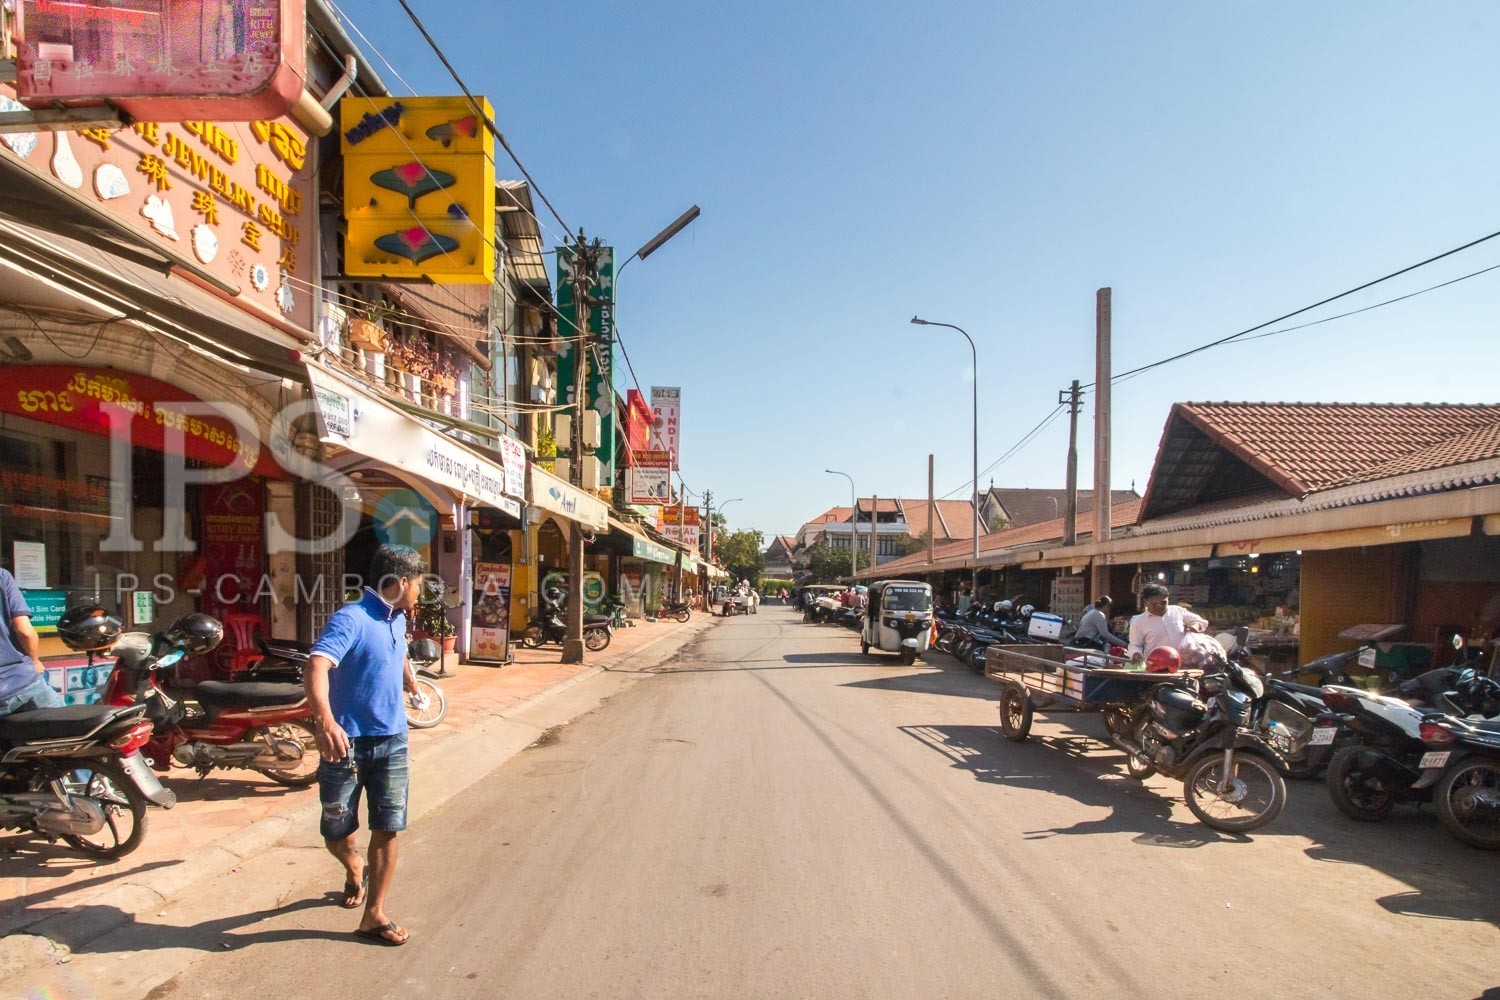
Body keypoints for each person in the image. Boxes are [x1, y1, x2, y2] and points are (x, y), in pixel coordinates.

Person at [306, 544, 425, 947]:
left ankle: (374, 914)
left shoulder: (398, 618)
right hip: (347, 744)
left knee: (388, 827)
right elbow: (317, 664)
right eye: (418, 583)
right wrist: (325, 720)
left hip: (393, 740)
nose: (420, 591)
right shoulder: (352, 618)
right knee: (336, 830)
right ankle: (353, 865)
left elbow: (398, 650)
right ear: (402, 582)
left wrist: (410, 680)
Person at [0, 566, 63, 718]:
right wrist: (35, 661)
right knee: (70, 728)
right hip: (23, 683)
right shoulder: (2, 576)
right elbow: (24, 631)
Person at [1127, 584, 1208, 661]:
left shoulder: (1177, 611)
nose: (1159, 606)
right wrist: (1136, 653)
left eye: (1163, 603)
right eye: (1155, 604)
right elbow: (1135, 645)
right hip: (1156, 664)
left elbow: (1200, 621)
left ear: (1168, 600)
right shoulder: (1138, 621)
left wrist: (1194, 627)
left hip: (1183, 662)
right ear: (1145, 602)